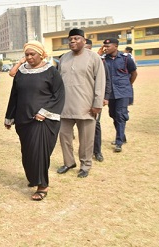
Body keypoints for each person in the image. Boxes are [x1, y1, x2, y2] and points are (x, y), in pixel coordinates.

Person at [5, 40, 65, 200]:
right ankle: (33, 178)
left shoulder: (51, 71)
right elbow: (14, 95)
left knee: (39, 153)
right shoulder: (21, 72)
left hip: (42, 121)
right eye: (27, 54)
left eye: (33, 54)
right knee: (27, 153)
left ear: (41, 54)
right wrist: (9, 116)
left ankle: (42, 185)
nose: (30, 57)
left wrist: (44, 112)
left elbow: (59, 95)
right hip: (23, 119)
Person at [56, 29, 105, 178]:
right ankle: (68, 162)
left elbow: (100, 81)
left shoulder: (94, 57)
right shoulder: (64, 58)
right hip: (65, 106)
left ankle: (85, 165)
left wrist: (97, 103)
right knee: (64, 137)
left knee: (86, 139)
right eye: (70, 39)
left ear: (84, 40)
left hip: (86, 106)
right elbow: (58, 82)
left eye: (76, 38)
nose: (72, 41)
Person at [102, 38, 138, 152]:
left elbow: (134, 73)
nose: (105, 48)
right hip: (110, 93)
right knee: (113, 114)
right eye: (105, 46)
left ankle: (119, 142)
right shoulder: (103, 60)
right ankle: (122, 136)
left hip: (123, 92)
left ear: (116, 46)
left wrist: (128, 85)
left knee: (120, 115)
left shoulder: (126, 58)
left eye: (108, 46)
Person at [85, 39, 112, 162]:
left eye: (87, 48)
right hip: (78, 99)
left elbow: (106, 80)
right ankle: (85, 152)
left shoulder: (99, 61)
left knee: (95, 125)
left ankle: (97, 151)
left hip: (94, 99)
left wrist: (105, 97)